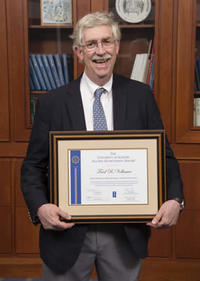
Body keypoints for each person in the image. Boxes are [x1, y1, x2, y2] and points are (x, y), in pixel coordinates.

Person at [21, 11, 184, 281]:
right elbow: (32, 166)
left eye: (107, 42)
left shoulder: (141, 96)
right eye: (91, 44)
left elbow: (164, 157)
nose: (101, 51)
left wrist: (175, 200)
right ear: (79, 52)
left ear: (117, 46)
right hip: (67, 232)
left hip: (123, 234)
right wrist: (40, 207)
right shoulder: (52, 102)